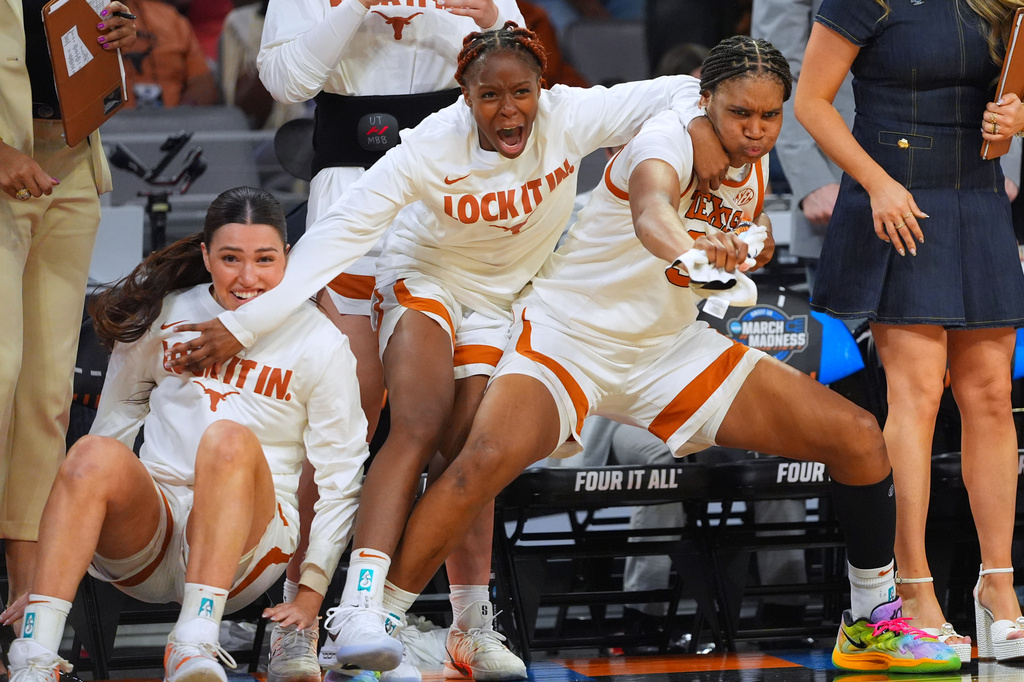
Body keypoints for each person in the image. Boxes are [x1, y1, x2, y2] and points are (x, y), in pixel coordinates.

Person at [371, 35, 962, 674]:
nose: (757, 130)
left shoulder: (748, 157)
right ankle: (378, 631)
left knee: (857, 437)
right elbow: (653, 210)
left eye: (770, 116)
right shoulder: (666, 139)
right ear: (704, 99)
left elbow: (730, 237)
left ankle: (870, 622)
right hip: (569, 340)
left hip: (668, 351)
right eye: (740, 114)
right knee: (477, 463)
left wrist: (743, 249)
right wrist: (687, 252)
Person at [169, 21, 726, 681]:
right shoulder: (431, 144)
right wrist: (250, 322)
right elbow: (339, 234)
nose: (509, 108)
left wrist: (702, 137)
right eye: (490, 96)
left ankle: (470, 626)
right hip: (421, 274)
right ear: (464, 93)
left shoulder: (571, 115)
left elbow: (687, 90)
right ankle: (357, 611)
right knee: (420, 418)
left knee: (470, 449)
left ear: (542, 87)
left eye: (521, 92)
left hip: (501, 297)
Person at [256, 2, 525, 680]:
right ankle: (300, 622)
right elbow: (287, 81)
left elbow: (523, 73)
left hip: (455, 192)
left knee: (465, 419)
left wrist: (481, 19)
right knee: (339, 424)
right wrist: (350, 9)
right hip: (350, 193)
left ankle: (471, 623)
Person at [0, 187, 368, 682]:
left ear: (289, 257)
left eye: (265, 259)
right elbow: (115, 423)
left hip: (249, 549)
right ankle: (34, 658)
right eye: (230, 258)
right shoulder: (172, 312)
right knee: (91, 451)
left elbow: (340, 477)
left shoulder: (320, 341)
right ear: (205, 256)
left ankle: (195, 642)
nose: (248, 277)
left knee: (228, 439)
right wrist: (51, 570)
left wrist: (312, 589)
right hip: (152, 530)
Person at [794, 0, 1024, 663]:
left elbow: (1009, 81)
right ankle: (914, 591)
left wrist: (1012, 115)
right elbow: (812, 101)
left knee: (989, 398)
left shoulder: (996, 1)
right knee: (916, 397)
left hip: (978, 197)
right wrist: (875, 183)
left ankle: (998, 589)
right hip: (897, 196)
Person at [0, 0, 136, 667]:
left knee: (48, 394)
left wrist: (119, 32)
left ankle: (33, 617)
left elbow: (85, 21)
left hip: (71, 155)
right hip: (2, 154)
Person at [122, 0, 219, 108]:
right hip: (112, 120)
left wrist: (183, 115)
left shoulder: (170, 18)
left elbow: (202, 82)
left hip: (175, 119)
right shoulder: (100, 24)